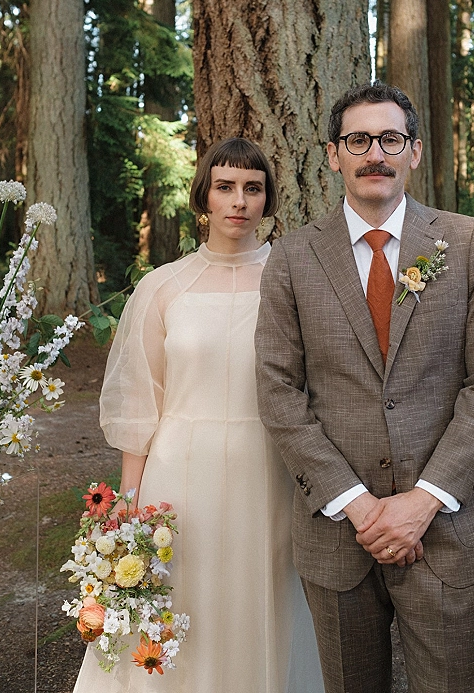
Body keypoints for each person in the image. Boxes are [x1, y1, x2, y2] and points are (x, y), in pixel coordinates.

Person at [255, 83, 474, 693]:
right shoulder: (292, 258)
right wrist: (359, 504)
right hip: (337, 535)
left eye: (390, 139)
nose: (375, 153)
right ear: (333, 154)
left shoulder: (469, 242)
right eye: (358, 140)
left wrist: (423, 500)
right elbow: (278, 392)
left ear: (414, 152)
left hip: (444, 533)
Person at [73, 137, 324, 693]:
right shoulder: (163, 286)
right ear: (204, 197)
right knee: (183, 600)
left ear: (267, 200)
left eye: (253, 189)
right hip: (179, 474)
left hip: (268, 470)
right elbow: (139, 400)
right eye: (226, 187)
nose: (239, 201)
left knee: (260, 597)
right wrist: (128, 503)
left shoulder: (294, 281)